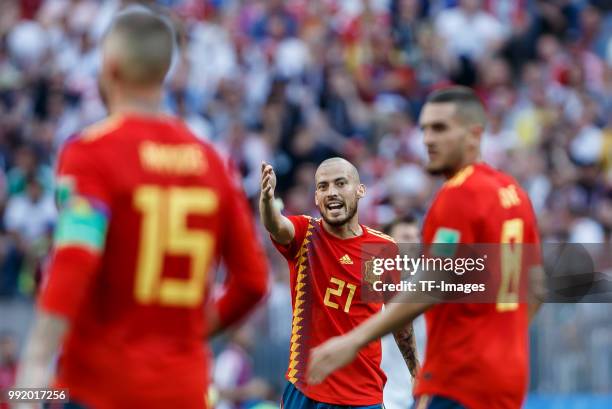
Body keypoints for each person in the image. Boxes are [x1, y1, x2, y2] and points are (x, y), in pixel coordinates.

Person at [14, 7, 268, 409]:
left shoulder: (91, 152)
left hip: (102, 389)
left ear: (110, 67)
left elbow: (74, 262)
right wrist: (192, 333)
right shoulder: (210, 161)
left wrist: (31, 377)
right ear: (164, 71)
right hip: (183, 390)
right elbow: (253, 281)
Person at [307, 86, 543, 409]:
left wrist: (352, 341)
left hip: (459, 378)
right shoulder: (513, 193)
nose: (428, 139)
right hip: (508, 377)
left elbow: (431, 284)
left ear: (475, 134)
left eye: (441, 128)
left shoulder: (457, 197)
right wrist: (501, 339)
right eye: (425, 129)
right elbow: (537, 286)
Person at [259, 157, 418, 409]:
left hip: (362, 395)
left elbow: (400, 322)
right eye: (322, 187)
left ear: (360, 190)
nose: (331, 192)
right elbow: (277, 226)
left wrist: (415, 371)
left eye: (340, 183)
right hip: (306, 390)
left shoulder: (380, 249)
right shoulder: (306, 235)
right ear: (316, 198)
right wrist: (267, 202)